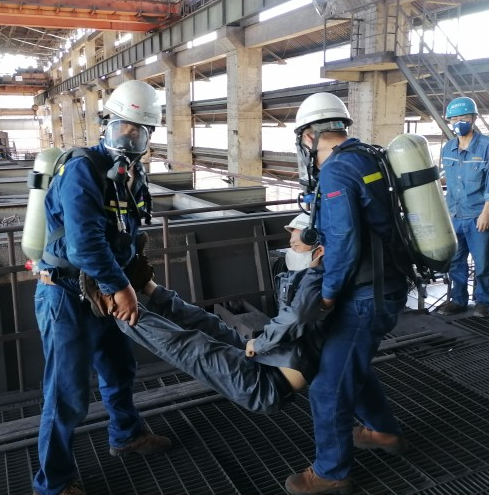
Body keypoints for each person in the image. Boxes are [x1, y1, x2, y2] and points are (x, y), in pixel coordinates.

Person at [32, 80, 171, 495]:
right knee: (66, 394)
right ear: (105, 125)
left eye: (138, 131)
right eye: (121, 127)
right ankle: (54, 483)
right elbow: (84, 244)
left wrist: (136, 275)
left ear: (148, 136)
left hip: (104, 290)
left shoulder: (131, 176)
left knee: (119, 367)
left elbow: (126, 233)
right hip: (66, 295)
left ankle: (126, 435)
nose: (127, 137)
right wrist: (121, 287)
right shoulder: (83, 169)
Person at [287, 92, 409, 495]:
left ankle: (331, 472)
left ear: (309, 135)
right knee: (350, 367)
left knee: (327, 386)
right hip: (385, 285)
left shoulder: (336, 171)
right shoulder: (367, 157)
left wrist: (327, 295)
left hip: (363, 295)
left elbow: (343, 240)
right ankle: (383, 431)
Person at [110, 234, 327, 414]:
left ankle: (117, 305)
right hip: (266, 360)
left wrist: (259, 344)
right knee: (206, 323)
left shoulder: (321, 280)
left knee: (192, 348)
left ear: (319, 251)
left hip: (265, 384)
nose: (289, 249)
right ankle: (146, 284)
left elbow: (298, 315)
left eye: (295, 246)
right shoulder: (312, 275)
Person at [437, 97, 489, 318]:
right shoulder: (448, 148)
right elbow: (448, 179)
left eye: (464, 117)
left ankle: (482, 302)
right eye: (454, 119)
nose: (458, 122)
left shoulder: (488, 146)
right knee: (456, 261)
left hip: (478, 215)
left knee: (483, 261)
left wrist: (487, 212)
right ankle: (458, 300)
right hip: (454, 214)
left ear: (474, 118)